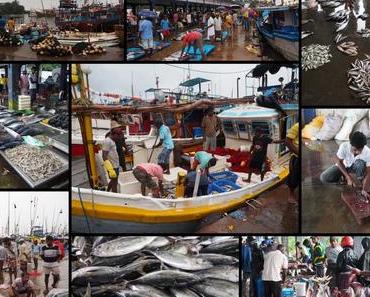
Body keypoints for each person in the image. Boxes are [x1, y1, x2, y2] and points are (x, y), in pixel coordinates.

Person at [320, 131, 370, 199]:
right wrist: (348, 177)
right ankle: (344, 178)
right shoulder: (344, 146)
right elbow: (338, 160)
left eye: (360, 150)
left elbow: (368, 172)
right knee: (324, 177)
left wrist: (365, 189)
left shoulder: (367, 152)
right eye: (355, 150)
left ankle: (360, 180)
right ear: (350, 144)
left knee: (360, 163)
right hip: (345, 166)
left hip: (358, 168)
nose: (357, 152)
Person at [102, 121, 123, 193]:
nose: (119, 138)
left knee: (113, 180)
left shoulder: (112, 140)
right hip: (112, 166)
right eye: (118, 136)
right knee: (115, 182)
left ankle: (107, 191)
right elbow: (104, 156)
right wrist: (110, 169)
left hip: (115, 164)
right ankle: (115, 195)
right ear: (114, 134)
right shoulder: (107, 141)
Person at [286, 122, 299, 204]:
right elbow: (287, 141)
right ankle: (291, 195)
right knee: (293, 177)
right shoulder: (296, 126)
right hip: (296, 156)